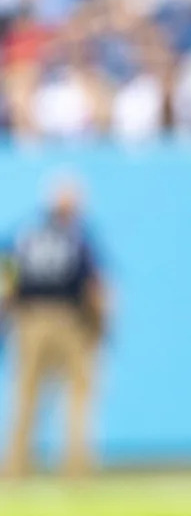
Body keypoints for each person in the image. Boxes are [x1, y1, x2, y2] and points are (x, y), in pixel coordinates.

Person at [2, 176, 107, 478]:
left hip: (29, 319)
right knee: (77, 397)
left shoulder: (24, 235)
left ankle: (16, 468)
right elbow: (95, 287)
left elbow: (6, 282)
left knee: (25, 396)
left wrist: (7, 315)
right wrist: (98, 326)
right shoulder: (78, 238)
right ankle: (76, 469)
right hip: (68, 320)